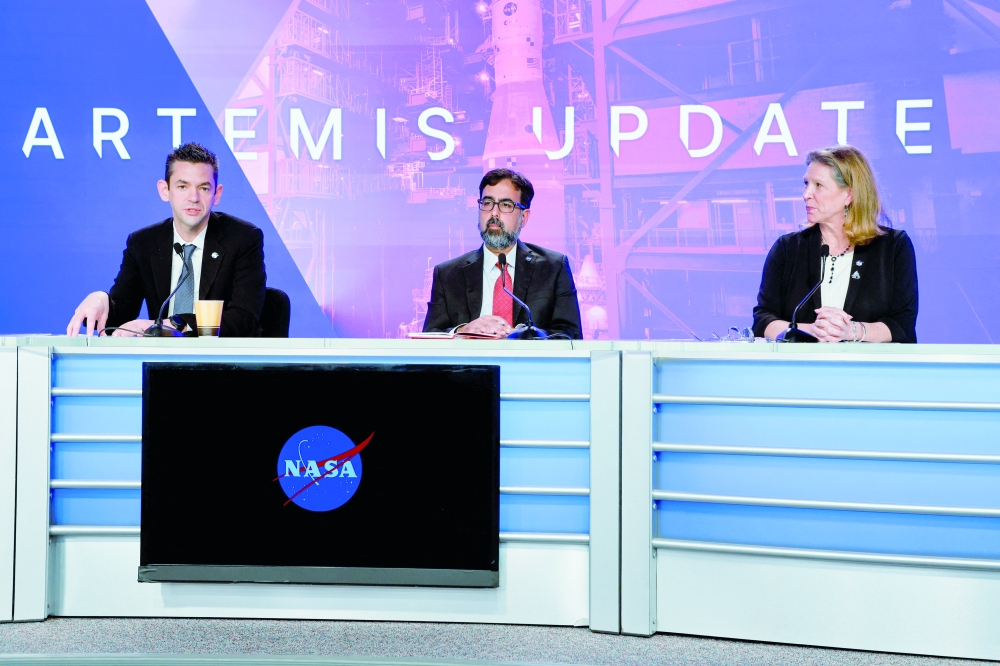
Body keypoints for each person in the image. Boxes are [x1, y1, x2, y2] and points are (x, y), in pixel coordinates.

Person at [66, 143, 266, 337]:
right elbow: (121, 316)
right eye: (182, 186)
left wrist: (173, 324)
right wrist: (101, 299)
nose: (194, 197)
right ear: (165, 190)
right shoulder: (143, 243)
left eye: (204, 188)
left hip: (219, 358)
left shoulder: (243, 238)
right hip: (160, 359)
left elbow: (244, 318)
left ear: (217, 194)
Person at [753, 145, 918, 343]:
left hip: (870, 363)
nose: (806, 194)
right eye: (806, 184)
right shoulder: (787, 248)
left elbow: (902, 324)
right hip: (803, 363)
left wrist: (851, 331)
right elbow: (762, 321)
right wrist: (812, 330)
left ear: (849, 194)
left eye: (818, 185)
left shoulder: (893, 247)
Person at [422, 168, 582, 339]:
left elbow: (571, 335)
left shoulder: (553, 268)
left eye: (506, 205)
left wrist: (525, 336)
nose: (494, 213)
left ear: (524, 217)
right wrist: (462, 331)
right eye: (487, 203)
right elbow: (430, 336)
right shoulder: (448, 274)